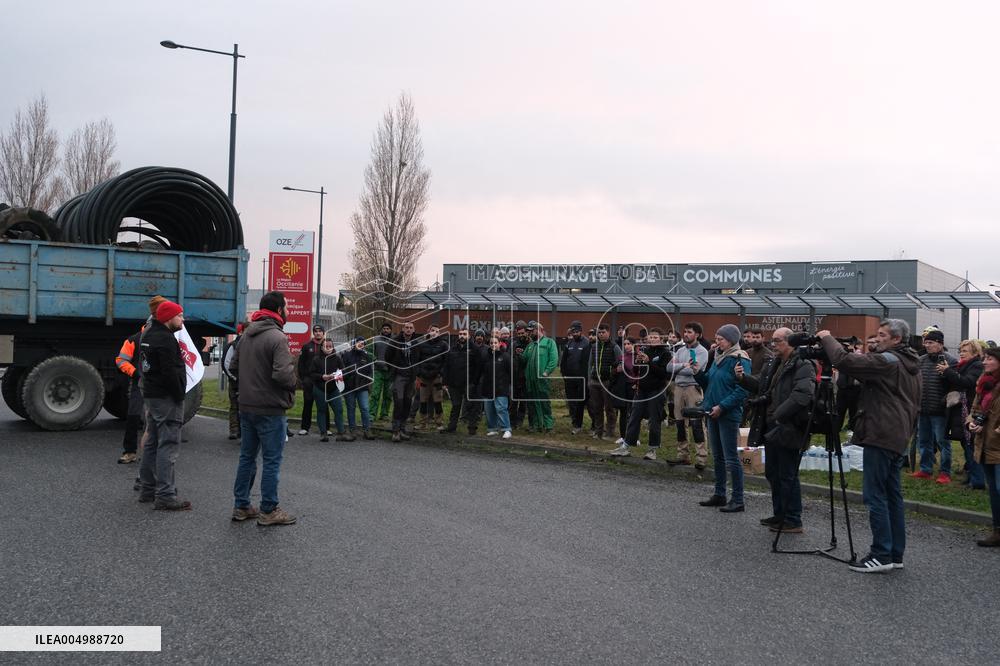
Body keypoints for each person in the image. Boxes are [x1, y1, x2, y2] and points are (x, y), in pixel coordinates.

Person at [819, 319, 920, 572]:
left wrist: (826, 338)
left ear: (896, 339)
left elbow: (846, 362)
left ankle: (881, 554)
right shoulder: (910, 363)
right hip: (896, 435)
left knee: (875, 496)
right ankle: (895, 554)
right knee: (892, 496)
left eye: (882, 335)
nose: (877, 339)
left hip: (881, 434)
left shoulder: (889, 361)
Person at [736, 328, 816, 533]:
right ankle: (779, 514)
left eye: (777, 341)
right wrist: (743, 378)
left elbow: (802, 395)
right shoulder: (774, 363)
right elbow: (763, 387)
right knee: (773, 472)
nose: (773, 344)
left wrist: (780, 414)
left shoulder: (803, 364)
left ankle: (793, 518)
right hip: (770, 425)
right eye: (772, 341)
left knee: (787, 473)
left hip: (789, 426)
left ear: (790, 342)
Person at [231, 291, 298, 526]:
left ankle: (241, 506)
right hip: (270, 408)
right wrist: (293, 383)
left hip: (246, 406)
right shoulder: (277, 337)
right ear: (279, 310)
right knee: (271, 460)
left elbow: (233, 365)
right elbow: (282, 373)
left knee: (247, 457)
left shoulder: (247, 334)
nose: (288, 310)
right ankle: (269, 509)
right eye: (286, 307)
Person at [137, 299, 190, 511]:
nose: (182, 319)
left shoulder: (148, 334)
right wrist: (179, 395)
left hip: (151, 394)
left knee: (152, 441)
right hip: (166, 397)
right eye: (179, 315)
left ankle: (147, 489)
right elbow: (169, 372)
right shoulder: (166, 340)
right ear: (169, 318)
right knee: (168, 444)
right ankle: (166, 495)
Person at [696, 324, 751, 513]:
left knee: (731, 458)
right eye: (717, 338)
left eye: (721, 339)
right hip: (712, 410)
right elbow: (709, 382)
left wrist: (722, 406)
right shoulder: (717, 358)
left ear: (731, 341)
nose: (717, 342)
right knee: (717, 456)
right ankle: (720, 494)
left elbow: (742, 389)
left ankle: (738, 499)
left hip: (727, 413)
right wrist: (697, 373)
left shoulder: (739, 359)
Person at [611, 328, 671, 459]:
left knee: (654, 420)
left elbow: (664, 374)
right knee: (634, 416)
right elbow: (637, 370)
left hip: (656, 390)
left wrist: (649, 361)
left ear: (661, 339)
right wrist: (638, 361)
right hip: (641, 389)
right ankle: (626, 446)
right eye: (651, 337)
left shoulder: (666, 353)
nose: (653, 339)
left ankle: (652, 449)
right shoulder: (644, 350)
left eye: (656, 337)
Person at [913, 329, 957, 483]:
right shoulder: (921, 360)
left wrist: (947, 372)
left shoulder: (950, 361)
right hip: (923, 409)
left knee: (943, 442)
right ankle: (926, 469)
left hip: (940, 411)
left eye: (930, 342)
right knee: (923, 441)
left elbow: (955, 384)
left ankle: (945, 472)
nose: (927, 345)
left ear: (940, 344)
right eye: (925, 342)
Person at [967, 347, 1000, 546]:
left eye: (989, 359)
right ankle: (997, 532)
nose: (985, 362)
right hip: (986, 443)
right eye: (985, 358)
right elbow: (974, 409)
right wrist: (971, 422)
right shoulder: (983, 383)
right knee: (994, 491)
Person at [666, 322, 709, 469]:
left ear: (697, 334)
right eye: (685, 332)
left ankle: (701, 458)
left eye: (689, 332)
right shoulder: (680, 350)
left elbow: (693, 371)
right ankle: (683, 455)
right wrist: (684, 365)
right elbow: (669, 368)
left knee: (697, 423)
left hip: (693, 388)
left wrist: (680, 367)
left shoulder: (702, 351)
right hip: (678, 388)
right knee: (679, 423)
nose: (686, 334)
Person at [942, 340, 985, 489]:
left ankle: (977, 480)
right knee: (966, 444)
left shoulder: (977, 366)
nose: (961, 353)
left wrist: (948, 372)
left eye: (965, 351)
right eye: (960, 350)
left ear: (975, 353)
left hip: (969, 410)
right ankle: (971, 476)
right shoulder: (962, 366)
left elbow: (967, 382)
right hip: (961, 410)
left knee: (971, 445)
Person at [441, 328, 483, 435]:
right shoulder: (453, 348)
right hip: (454, 383)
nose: (462, 336)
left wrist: (475, 382)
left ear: (469, 336)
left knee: (471, 405)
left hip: (469, 383)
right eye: (460, 334)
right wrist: (445, 382)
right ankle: (451, 427)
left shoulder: (474, 349)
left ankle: (472, 427)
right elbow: (447, 365)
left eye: (464, 334)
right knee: (455, 405)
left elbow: (479, 367)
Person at [522, 321, 559, 433]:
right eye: (529, 331)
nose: (530, 333)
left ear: (540, 330)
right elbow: (524, 360)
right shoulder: (530, 345)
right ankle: (536, 425)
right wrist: (519, 354)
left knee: (544, 402)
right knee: (532, 403)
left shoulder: (549, 343)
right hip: (530, 380)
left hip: (542, 380)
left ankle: (548, 426)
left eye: (532, 331)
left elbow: (554, 360)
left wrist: (546, 372)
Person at [587, 323, 622, 439]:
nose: (601, 334)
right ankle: (598, 431)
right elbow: (590, 364)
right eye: (599, 333)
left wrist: (614, 379)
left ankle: (610, 432)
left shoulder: (614, 347)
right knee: (596, 407)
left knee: (609, 408)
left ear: (608, 333)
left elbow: (620, 363)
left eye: (603, 332)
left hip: (608, 382)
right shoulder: (594, 347)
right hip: (595, 381)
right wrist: (589, 379)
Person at [311, 338, 349, 442]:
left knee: (339, 410)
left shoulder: (337, 358)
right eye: (326, 346)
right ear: (322, 347)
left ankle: (341, 433)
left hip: (333, 388)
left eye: (330, 346)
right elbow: (312, 374)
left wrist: (337, 375)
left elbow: (343, 371)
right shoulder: (316, 359)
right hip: (320, 388)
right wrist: (322, 376)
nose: (328, 348)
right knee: (322, 410)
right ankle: (323, 433)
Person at [387, 321, 418, 442]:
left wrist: (417, 372)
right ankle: (395, 431)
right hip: (399, 376)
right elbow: (387, 356)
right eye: (406, 327)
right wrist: (393, 369)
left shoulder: (416, 343)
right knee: (398, 403)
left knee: (407, 403)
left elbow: (419, 358)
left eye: (411, 328)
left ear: (413, 330)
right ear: (403, 329)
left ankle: (402, 429)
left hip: (411, 377)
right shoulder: (395, 341)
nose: (408, 329)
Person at [296, 324, 329, 436]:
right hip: (309, 381)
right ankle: (305, 427)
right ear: (313, 333)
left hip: (323, 380)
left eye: (320, 331)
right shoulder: (306, 346)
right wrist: (303, 379)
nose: (318, 333)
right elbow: (301, 364)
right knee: (307, 403)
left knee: (324, 405)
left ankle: (326, 428)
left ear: (323, 333)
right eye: (316, 331)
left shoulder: (327, 345)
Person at [341, 336, 375, 440]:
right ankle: (352, 430)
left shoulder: (367, 356)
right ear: (354, 343)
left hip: (362, 387)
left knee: (365, 408)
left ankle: (367, 430)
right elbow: (342, 370)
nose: (360, 344)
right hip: (349, 387)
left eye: (363, 343)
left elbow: (370, 371)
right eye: (358, 342)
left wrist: (367, 382)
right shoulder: (346, 355)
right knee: (351, 409)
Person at [414, 325, 448, 429]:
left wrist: (441, 373)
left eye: (437, 331)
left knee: (438, 401)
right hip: (424, 377)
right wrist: (419, 373)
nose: (434, 332)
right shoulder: (422, 345)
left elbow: (446, 361)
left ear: (439, 333)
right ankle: (422, 423)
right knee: (423, 401)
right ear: (429, 331)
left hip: (437, 377)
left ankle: (439, 422)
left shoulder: (443, 345)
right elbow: (417, 360)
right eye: (433, 330)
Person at [560, 320, 590, 435]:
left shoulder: (586, 343)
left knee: (581, 402)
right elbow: (563, 361)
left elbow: (586, 362)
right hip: (569, 378)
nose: (575, 333)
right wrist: (564, 374)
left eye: (577, 331)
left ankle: (581, 425)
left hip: (581, 379)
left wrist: (585, 378)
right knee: (571, 401)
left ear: (581, 331)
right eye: (573, 331)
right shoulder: (569, 344)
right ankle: (575, 423)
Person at [481, 335, 513, 439]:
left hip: (501, 388)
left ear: (499, 343)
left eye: (495, 343)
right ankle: (492, 429)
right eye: (491, 343)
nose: (493, 345)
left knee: (501, 409)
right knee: (489, 410)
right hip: (488, 388)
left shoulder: (505, 356)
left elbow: (511, 372)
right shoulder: (486, 356)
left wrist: (510, 386)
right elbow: (483, 372)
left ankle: (506, 429)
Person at [222, 322, 246, 440]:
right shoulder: (232, 346)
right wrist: (235, 378)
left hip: (246, 382)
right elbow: (226, 364)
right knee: (235, 406)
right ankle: (234, 430)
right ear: (241, 331)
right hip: (235, 382)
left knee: (244, 407)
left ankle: (243, 431)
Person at [370, 323, 394, 422]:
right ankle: (372, 414)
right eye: (384, 328)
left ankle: (384, 414)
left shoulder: (394, 341)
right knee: (375, 393)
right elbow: (369, 352)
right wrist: (375, 359)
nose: (386, 330)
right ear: (381, 330)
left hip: (390, 371)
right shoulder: (375, 339)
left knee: (388, 395)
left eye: (388, 329)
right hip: (378, 370)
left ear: (391, 330)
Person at [509, 322, 530, 429]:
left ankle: (519, 421)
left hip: (525, 377)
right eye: (518, 333)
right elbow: (509, 359)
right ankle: (512, 422)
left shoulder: (530, 344)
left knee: (523, 402)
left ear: (526, 332)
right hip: (514, 377)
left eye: (522, 333)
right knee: (513, 402)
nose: (521, 335)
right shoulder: (513, 344)